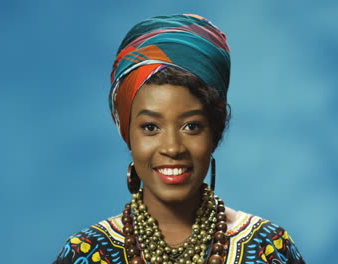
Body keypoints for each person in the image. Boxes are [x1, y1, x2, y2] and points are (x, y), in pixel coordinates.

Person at [53, 14, 305, 264]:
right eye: (151, 127)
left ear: (214, 134)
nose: (172, 147)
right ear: (127, 134)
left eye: (191, 126)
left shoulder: (268, 246)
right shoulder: (85, 252)